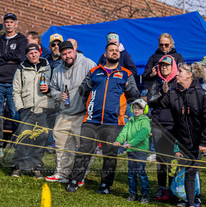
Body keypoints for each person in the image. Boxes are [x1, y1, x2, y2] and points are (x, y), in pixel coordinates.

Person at [66, 42, 140, 194]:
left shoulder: (126, 74)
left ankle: (105, 185)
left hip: (114, 122)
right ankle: (74, 180)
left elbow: (135, 95)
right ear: (105, 54)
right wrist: (89, 89)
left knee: (110, 155)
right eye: (111, 50)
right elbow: (82, 90)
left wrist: (127, 86)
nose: (114, 52)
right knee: (84, 151)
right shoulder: (94, 71)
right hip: (91, 120)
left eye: (116, 51)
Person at [45, 40, 96, 184]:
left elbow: (97, 84)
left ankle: (80, 176)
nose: (67, 56)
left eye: (69, 52)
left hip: (83, 114)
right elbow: (53, 88)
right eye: (64, 54)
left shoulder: (88, 64)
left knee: (85, 147)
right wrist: (57, 95)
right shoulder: (58, 69)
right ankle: (62, 173)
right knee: (62, 145)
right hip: (64, 113)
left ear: (74, 51)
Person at [158, 63, 206, 207]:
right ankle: (191, 204)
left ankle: (196, 199)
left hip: (200, 139)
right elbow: (159, 105)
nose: (176, 73)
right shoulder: (173, 92)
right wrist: (163, 92)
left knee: (194, 170)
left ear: (189, 75)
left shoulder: (201, 94)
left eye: (180, 71)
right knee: (190, 172)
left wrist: (204, 142)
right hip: (184, 140)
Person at [0, 12, 27, 159]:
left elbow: (20, 57)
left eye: (11, 22)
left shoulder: (21, 39)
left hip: (14, 82)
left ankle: (18, 150)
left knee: (15, 115)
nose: (9, 24)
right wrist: (8, 59)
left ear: (16, 24)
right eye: (6, 22)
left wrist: (1, 57)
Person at [10, 43, 54, 178]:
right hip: (27, 108)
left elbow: (55, 87)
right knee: (24, 137)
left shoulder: (49, 67)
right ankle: (18, 166)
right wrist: (20, 108)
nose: (33, 55)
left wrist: (49, 90)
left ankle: (36, 166)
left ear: (39, 52)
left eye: (35, 52)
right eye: (30, 53)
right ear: (26, 55)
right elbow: (16, 91)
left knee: (41, 138)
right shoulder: (21, 69)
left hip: (44, 108)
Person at [147, 55, 179, 202]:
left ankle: (172, 187)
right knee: (160, 157)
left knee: (172, 157)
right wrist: (162, 93)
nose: (164, 67)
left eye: (167, 65)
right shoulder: (156, 82)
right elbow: (150, 101)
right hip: (158, 124)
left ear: (173, 67)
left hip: (173, 124)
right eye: (162, 65)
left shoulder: (177, 82)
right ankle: (161, 187)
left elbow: (178, 103)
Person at [112, 98, 151, 204]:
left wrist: (131, 143)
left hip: (141, 151)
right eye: (134, 108)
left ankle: (145, 194)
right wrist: (118, 141)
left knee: (141, 173)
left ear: (144, 110)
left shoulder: (145, 121)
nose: (136, 110)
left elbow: (142, 134)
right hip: (131, 151)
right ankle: (132, 193)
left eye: (139, 108)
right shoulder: (130, 121)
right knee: (131, 173)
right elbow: (124, 132)